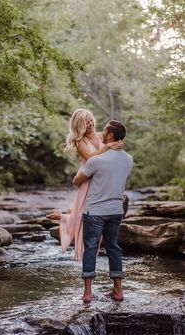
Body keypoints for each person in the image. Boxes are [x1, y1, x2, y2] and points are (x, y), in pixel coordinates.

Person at [46, 109, 123, 260]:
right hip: (87, 180)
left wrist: (118, 144)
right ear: (79, 125)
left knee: (93, 216)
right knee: (85, 215)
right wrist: (107, 147)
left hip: (101, 180)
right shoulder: (80, 141)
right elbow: (90, 157)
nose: (90, 124)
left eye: (91, 120)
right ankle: (66, 219)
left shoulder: (102, 135)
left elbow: (115, 143)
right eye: (86, 122)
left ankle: (65, 216)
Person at [73, 120, 133, 303]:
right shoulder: (128, 159)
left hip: (95, 211)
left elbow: (77, 180)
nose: (102, 133)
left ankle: (88, 294)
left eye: (105, 131)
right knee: (113, 247)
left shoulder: (96, 160)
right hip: (116, 210)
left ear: (110, 136)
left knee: (91, 248)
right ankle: (118, 291)